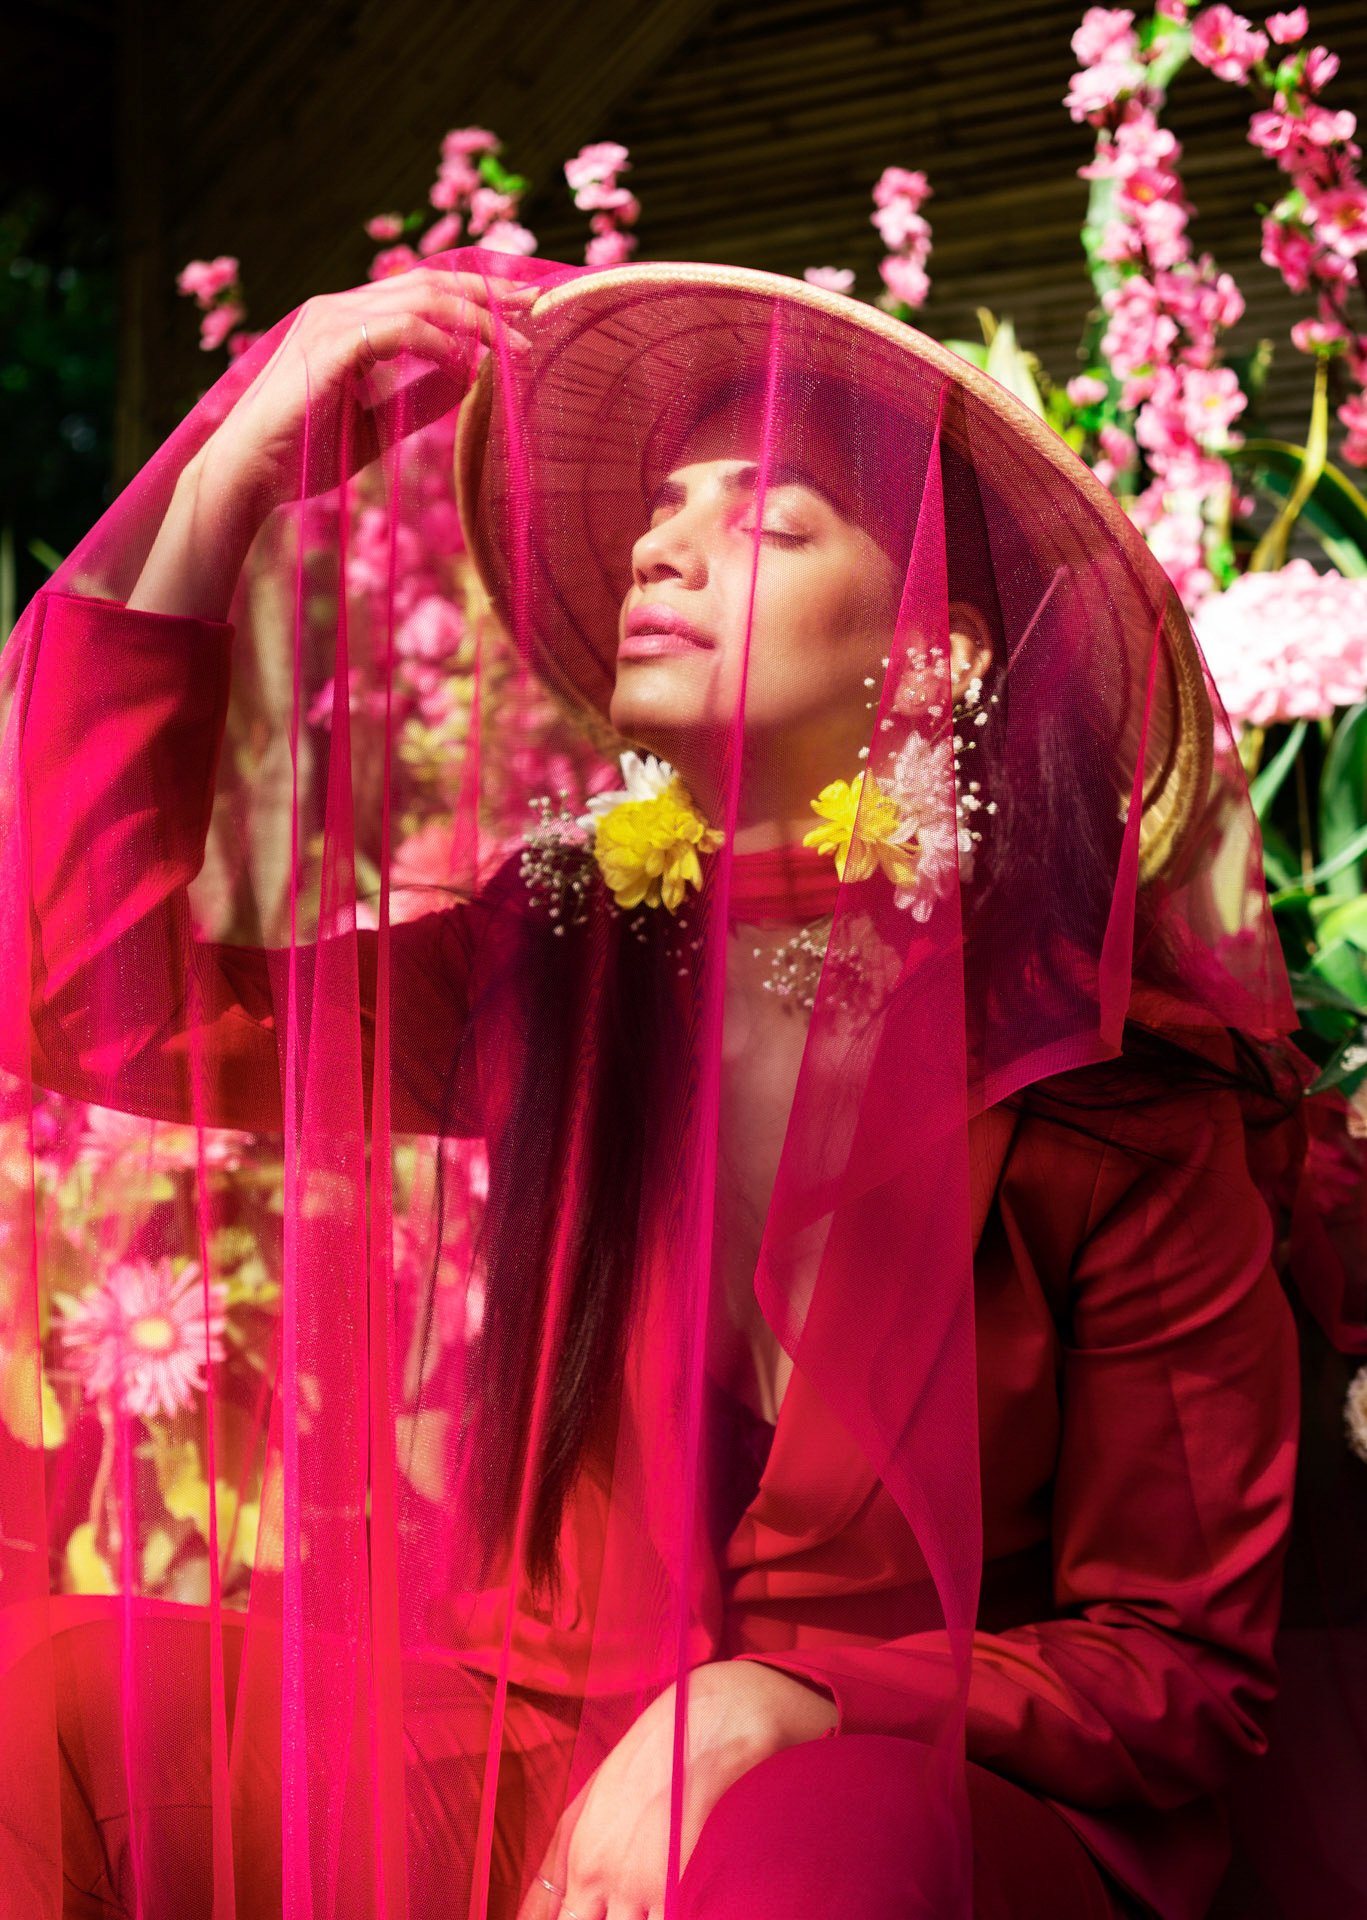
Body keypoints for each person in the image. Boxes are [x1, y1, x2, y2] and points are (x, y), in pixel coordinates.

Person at [0, 252, 1310, 1920]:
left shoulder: (1106, 1093)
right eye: (663, 510)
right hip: (562, 1749)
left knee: (807, 1847)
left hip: (921, 1805)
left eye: (768, 522)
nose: (663, 548)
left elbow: (1182, 1667)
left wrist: (794, 1700)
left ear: (940, 658)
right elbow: (88, 1000)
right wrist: (227, 485)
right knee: (46, 1706)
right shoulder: (554, 962)